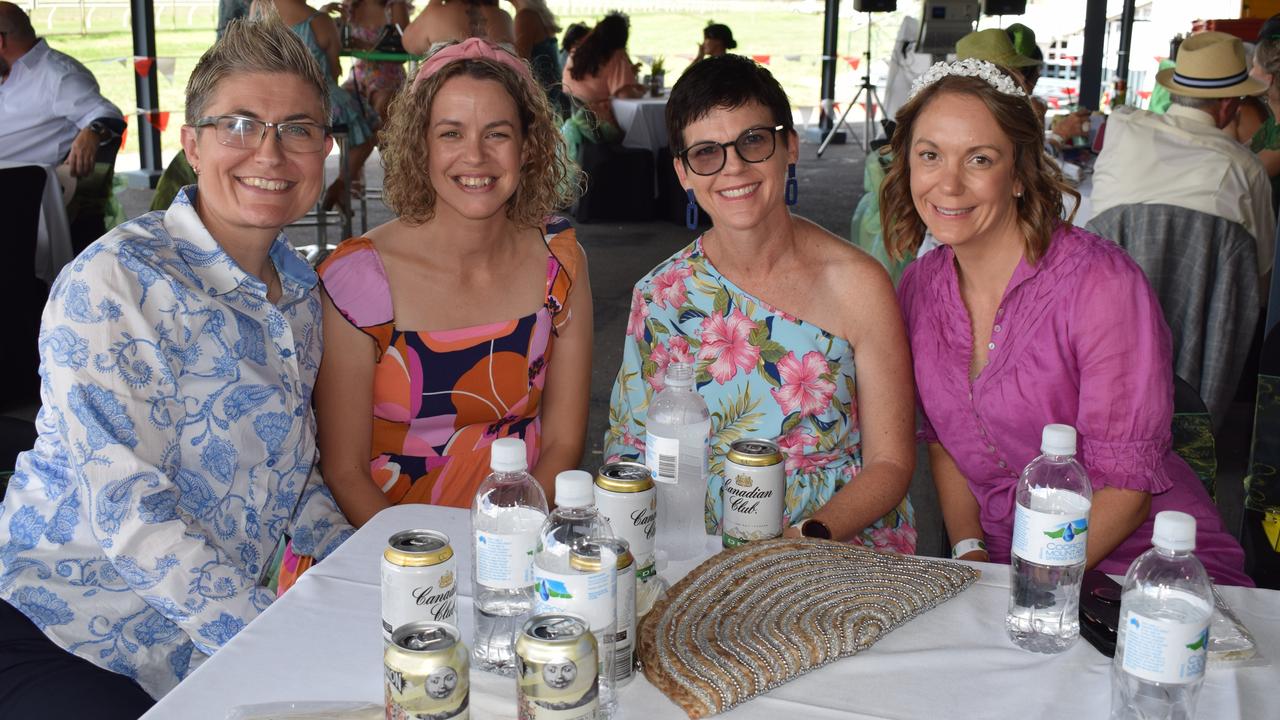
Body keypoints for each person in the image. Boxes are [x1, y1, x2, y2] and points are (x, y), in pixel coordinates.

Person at [0, 10, 355, 715]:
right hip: (67, 621)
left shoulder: (304, 294)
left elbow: (291, 480)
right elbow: (133, 516)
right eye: (239, 124)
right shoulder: (119, 284)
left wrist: (368, 573)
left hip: (212, 627)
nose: (270, 153)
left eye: (298, 129)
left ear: (324, 150)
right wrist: (280, 640)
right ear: (191, 144)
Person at [884, 58, 1251, 585]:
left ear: (1018, 174)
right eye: (930, 156)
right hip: (1005, 570)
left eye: (980, 159)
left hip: (1149, 574)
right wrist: (968, 554)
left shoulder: (1103, 285)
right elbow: (944, 441)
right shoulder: (919, 287)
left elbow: (1125, 492)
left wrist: (1028, 591)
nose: (949, 184)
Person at [604, 55, 916, 551]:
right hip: (695, 548)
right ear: (683, 172)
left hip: (833, 548)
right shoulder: (662, 296)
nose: (733, 168)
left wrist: (803, 539)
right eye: (706, 152)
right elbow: (633, 450)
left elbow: (892, 464)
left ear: (789, 146)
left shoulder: (859, 285)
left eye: (752, 140)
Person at [315, 38, 587, 524]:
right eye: (451, 134)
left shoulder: (560, 263)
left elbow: (564, 443)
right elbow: (345, 471)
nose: (475, 156)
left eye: (497, 134)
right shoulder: (358, 279)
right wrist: (432, 571)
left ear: (528, 147)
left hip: (519, 539)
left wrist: (510, 548)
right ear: (420, 145)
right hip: (387, 550)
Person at [1090, 31, 1273, 283]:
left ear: (1175, 90)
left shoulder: (1120, 127)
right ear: (1228, 104)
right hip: (1206, 318)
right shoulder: (1244, 167)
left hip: (1104, 303)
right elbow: (1263, 271)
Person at [271, 0, 376, 215]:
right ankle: (342, 183)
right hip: (317, 96)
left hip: (272, 98)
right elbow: (334, 70)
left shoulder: (259, 9)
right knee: (367, 126)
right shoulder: (319, 22)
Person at [0, 3, 122, 174]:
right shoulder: (5, 69)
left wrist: (93, 131)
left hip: (22, 188)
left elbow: (106, 113)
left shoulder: (59, 75)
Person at [333, 0, 413, 126]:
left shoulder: (395, 4)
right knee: (341, 103)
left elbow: (403, 49)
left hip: (389, 75)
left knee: (383, 104)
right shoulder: (352, 5)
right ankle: (360, 143)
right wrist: (326, 18)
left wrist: (366, 46)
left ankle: (382, 142)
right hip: (359, 75)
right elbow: (338, 41)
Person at [561, 11, 644, 128]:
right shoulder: (615, 56)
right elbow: (625, 96)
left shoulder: (576, 51)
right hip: (600, 125)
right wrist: (642, 92)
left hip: (577, 121)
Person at [505, 0, 566, 117]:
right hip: (551, 98)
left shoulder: (526, 16)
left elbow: (518, 63)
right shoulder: (535, 15)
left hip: (541, 102)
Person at [402, 0, 514, 56]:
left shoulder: (436, 14)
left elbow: (410, 44)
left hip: (445, 96)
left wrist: (433, 3)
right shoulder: (504, 18)